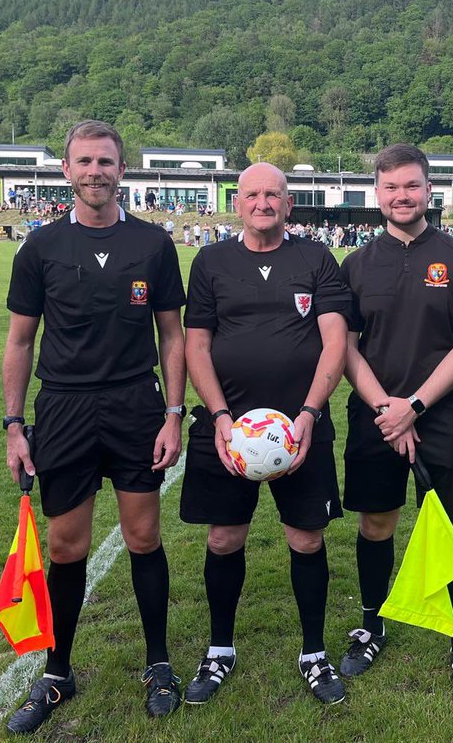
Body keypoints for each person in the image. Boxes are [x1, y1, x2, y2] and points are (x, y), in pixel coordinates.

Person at [2, 120, 188, 733]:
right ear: (66, 170)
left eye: (105, 162)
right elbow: (20, 341)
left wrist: (173, 414)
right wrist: (14, 424)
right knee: (66, 546)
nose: (95, 172)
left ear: (122, 170)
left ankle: (158, 664)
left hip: (136, 405)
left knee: (142, 537)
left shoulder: (154, 245)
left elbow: (171, 336)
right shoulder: (40, 248)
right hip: (63, 409)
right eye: (84, 162)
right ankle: (58, 673)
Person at [180, 162, 351, 706]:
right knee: (223, 538)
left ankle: (313, 653)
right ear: (237, 204)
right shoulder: (210, 262)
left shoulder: (316, 259)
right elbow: (196, 345)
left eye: (273, 194)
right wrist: (220, 417)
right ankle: (220, 649)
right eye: (252, 194)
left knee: (306, 537)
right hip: (228, 430)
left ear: (288, 203)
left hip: (301, 428)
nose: (262, 203)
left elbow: (334, 342)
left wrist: (308, 413)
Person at [337, 144, 453, 697]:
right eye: (390, 187)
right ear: (376, 194)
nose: (401, 196)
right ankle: (371, 623)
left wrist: (414, 407)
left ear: (429, 190)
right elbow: (346, 347)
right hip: (375, 418)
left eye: (411, 185)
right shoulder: (355, 264)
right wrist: (386, 408)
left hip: (442, 416)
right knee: (376, 523)